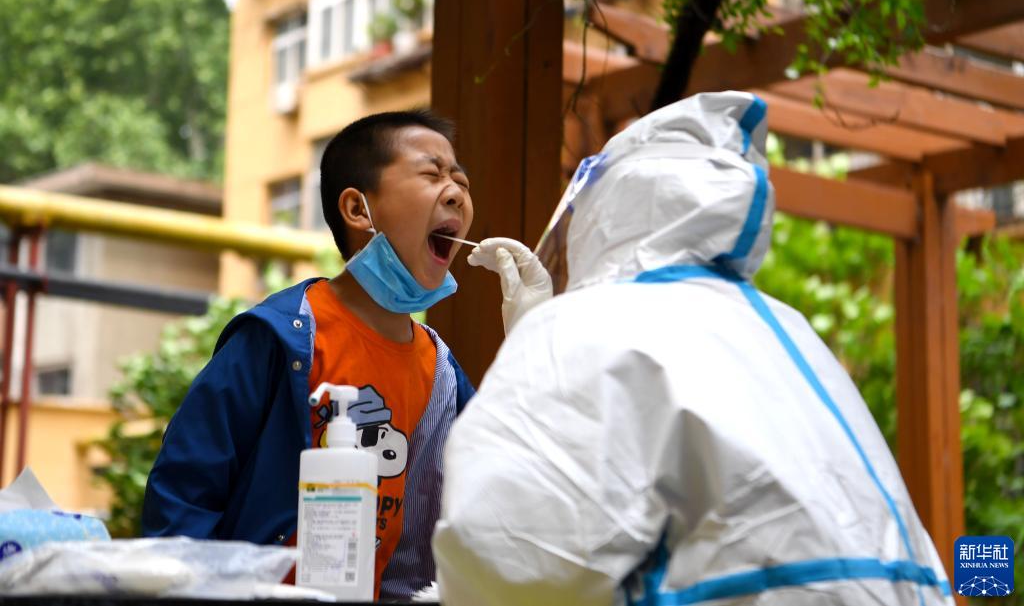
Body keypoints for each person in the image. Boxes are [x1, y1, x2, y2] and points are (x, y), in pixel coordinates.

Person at [433, 92, 953, 605]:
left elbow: (501, 552)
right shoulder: (782, 327)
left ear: (605, 209)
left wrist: (539, 340)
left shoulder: (590, 322)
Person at [142, 110, 476, 600]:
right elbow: (184, 493)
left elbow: (487, 497)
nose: (455, 192)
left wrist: (531, 343)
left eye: (461, 180)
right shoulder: (279, 337)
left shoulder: (443, 373)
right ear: (358, 210)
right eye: (431, 174)